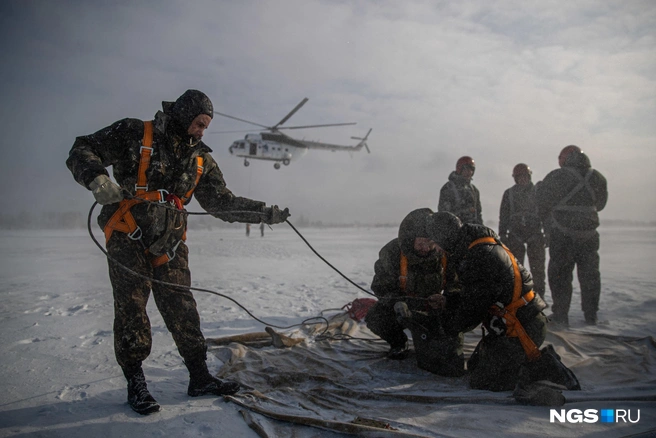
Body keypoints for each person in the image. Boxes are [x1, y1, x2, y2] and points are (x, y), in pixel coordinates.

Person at [66, 89, 290, 415]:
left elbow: (221, 202)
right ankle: (136, 384)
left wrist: (263, 213)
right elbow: (82, 147)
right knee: (132, 310)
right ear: (184, 116)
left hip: (170, 243)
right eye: (199, 123)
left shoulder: (201, 159)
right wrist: (96, 177)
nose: (202, 131)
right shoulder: (134, 133)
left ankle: (199, 377)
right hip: (128, 234)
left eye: (206, 127)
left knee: (183, 307)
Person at [426, 212, 550, 391]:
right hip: (511, 325)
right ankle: (516, 362)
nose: (435, 248)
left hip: (524, 329)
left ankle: (536, 370)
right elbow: (477, 294)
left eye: (435, 242)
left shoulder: (480, 256)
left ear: (445, 238)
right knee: (476, 365)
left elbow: (473, 310)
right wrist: (448, 300)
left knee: (483, 381)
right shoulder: (476, 248)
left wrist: (444, 327)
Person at [365, 208, 465, 377]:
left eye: (430, 243)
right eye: (420, 243)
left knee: (454, 329)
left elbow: (457, 285)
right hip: (404, 306)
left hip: (436, 306)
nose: (425, 248)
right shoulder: (392, 252)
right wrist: (396, 301)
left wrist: (446, 299)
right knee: (376, 317)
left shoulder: (446, 252)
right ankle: (398, 343)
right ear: (410, 240)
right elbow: (381, 285)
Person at [536, 145, 608, 327]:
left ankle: (561, 315)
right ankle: (591, 315)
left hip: (563, 235)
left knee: (560, 275)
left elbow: (542, 203)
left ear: (565, 158)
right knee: (590, 275)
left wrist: (540, 190)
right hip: (589, 236)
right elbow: (600, 205)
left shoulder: (558, 176)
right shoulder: (598, 178)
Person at [498, 163, 546, 299]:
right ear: (516, 178)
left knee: (538, 271)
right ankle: (518, 298)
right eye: (520, 177)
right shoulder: (509, 194)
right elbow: (504, 215)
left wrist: (547, 233)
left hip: (535, 235)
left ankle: (538, 298)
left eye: (525, 176)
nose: (523, 179)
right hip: (515, 236)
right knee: (516, 272)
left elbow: (545, 213)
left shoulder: (538, 192)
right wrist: (502, 234)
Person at [438, 156, 483, 225]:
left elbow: (478, 214)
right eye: (466, 169)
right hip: (454, 230)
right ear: (459, 169)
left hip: (472, 231)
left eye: (471, 170)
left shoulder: (474, 191)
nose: (469, 172)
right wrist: (465, 212)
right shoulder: (448, 189)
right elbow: (444, 215)